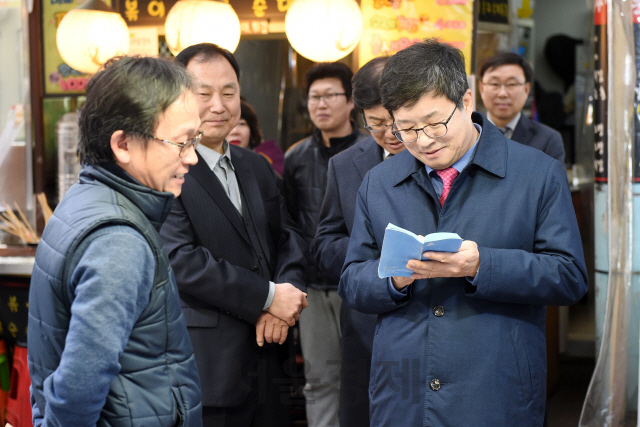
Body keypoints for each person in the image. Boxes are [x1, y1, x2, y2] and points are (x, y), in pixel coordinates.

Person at [339, 39, 588, 426]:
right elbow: (352, 281)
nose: (423, 140)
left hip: (494, 390)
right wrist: (395, 279)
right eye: (406, 128)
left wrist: (481, 265)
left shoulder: (536, 174)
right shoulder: (380, 182)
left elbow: (569, 277)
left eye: (435, 122)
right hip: (404, 394)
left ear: (467, 101)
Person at [27, 56, 203, 427]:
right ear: (123, 144)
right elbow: (78, 387)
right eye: (182, 142)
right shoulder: (118, 239)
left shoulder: (83, 198)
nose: (192, 158)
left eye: (195, 141)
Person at [159, 43, 308, 427]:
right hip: (211, 367)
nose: (219, 105)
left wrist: (285, 295)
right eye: (203, 94)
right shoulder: (166, 168)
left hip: (272, 359)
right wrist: (267, 297)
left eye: (229, 93)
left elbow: (288, 236)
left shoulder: (255, 165)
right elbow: (180, 260)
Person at [310, 55, 405, 427]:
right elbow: (324, 240)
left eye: (397, 122)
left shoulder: (439, 157)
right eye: (376, 124)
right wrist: (373, 259)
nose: (390, 134)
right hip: (365, 323)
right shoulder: (346, 163)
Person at [284, 61, 368, 427]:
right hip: (314, 289)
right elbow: (288, 224)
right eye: (314, 97)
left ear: (350, 102)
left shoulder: (372, 152)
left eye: (330, 95)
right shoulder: (295, 157)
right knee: (319, 379)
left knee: (367, 374)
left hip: (361, 284)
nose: (321, 104)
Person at [478, 52, 565, 163]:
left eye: (512, 84)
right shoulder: (466, 134)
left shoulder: (548, 140)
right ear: (481, 88)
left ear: (526, 89)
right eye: (495, 84)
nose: (502, 93)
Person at [228, 98, 285, 176]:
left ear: (252, 131)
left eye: (242, 124)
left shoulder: (262, 165)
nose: (235, 131)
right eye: (228, 123)